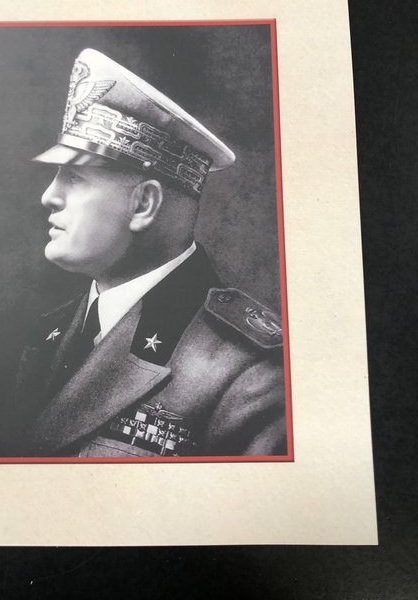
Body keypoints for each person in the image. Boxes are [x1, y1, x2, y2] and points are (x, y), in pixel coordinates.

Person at [14, 48, 287, 458]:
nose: (48, 196)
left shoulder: (249, 372)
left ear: (143, 204)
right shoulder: (49, 331)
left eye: (74, 177)